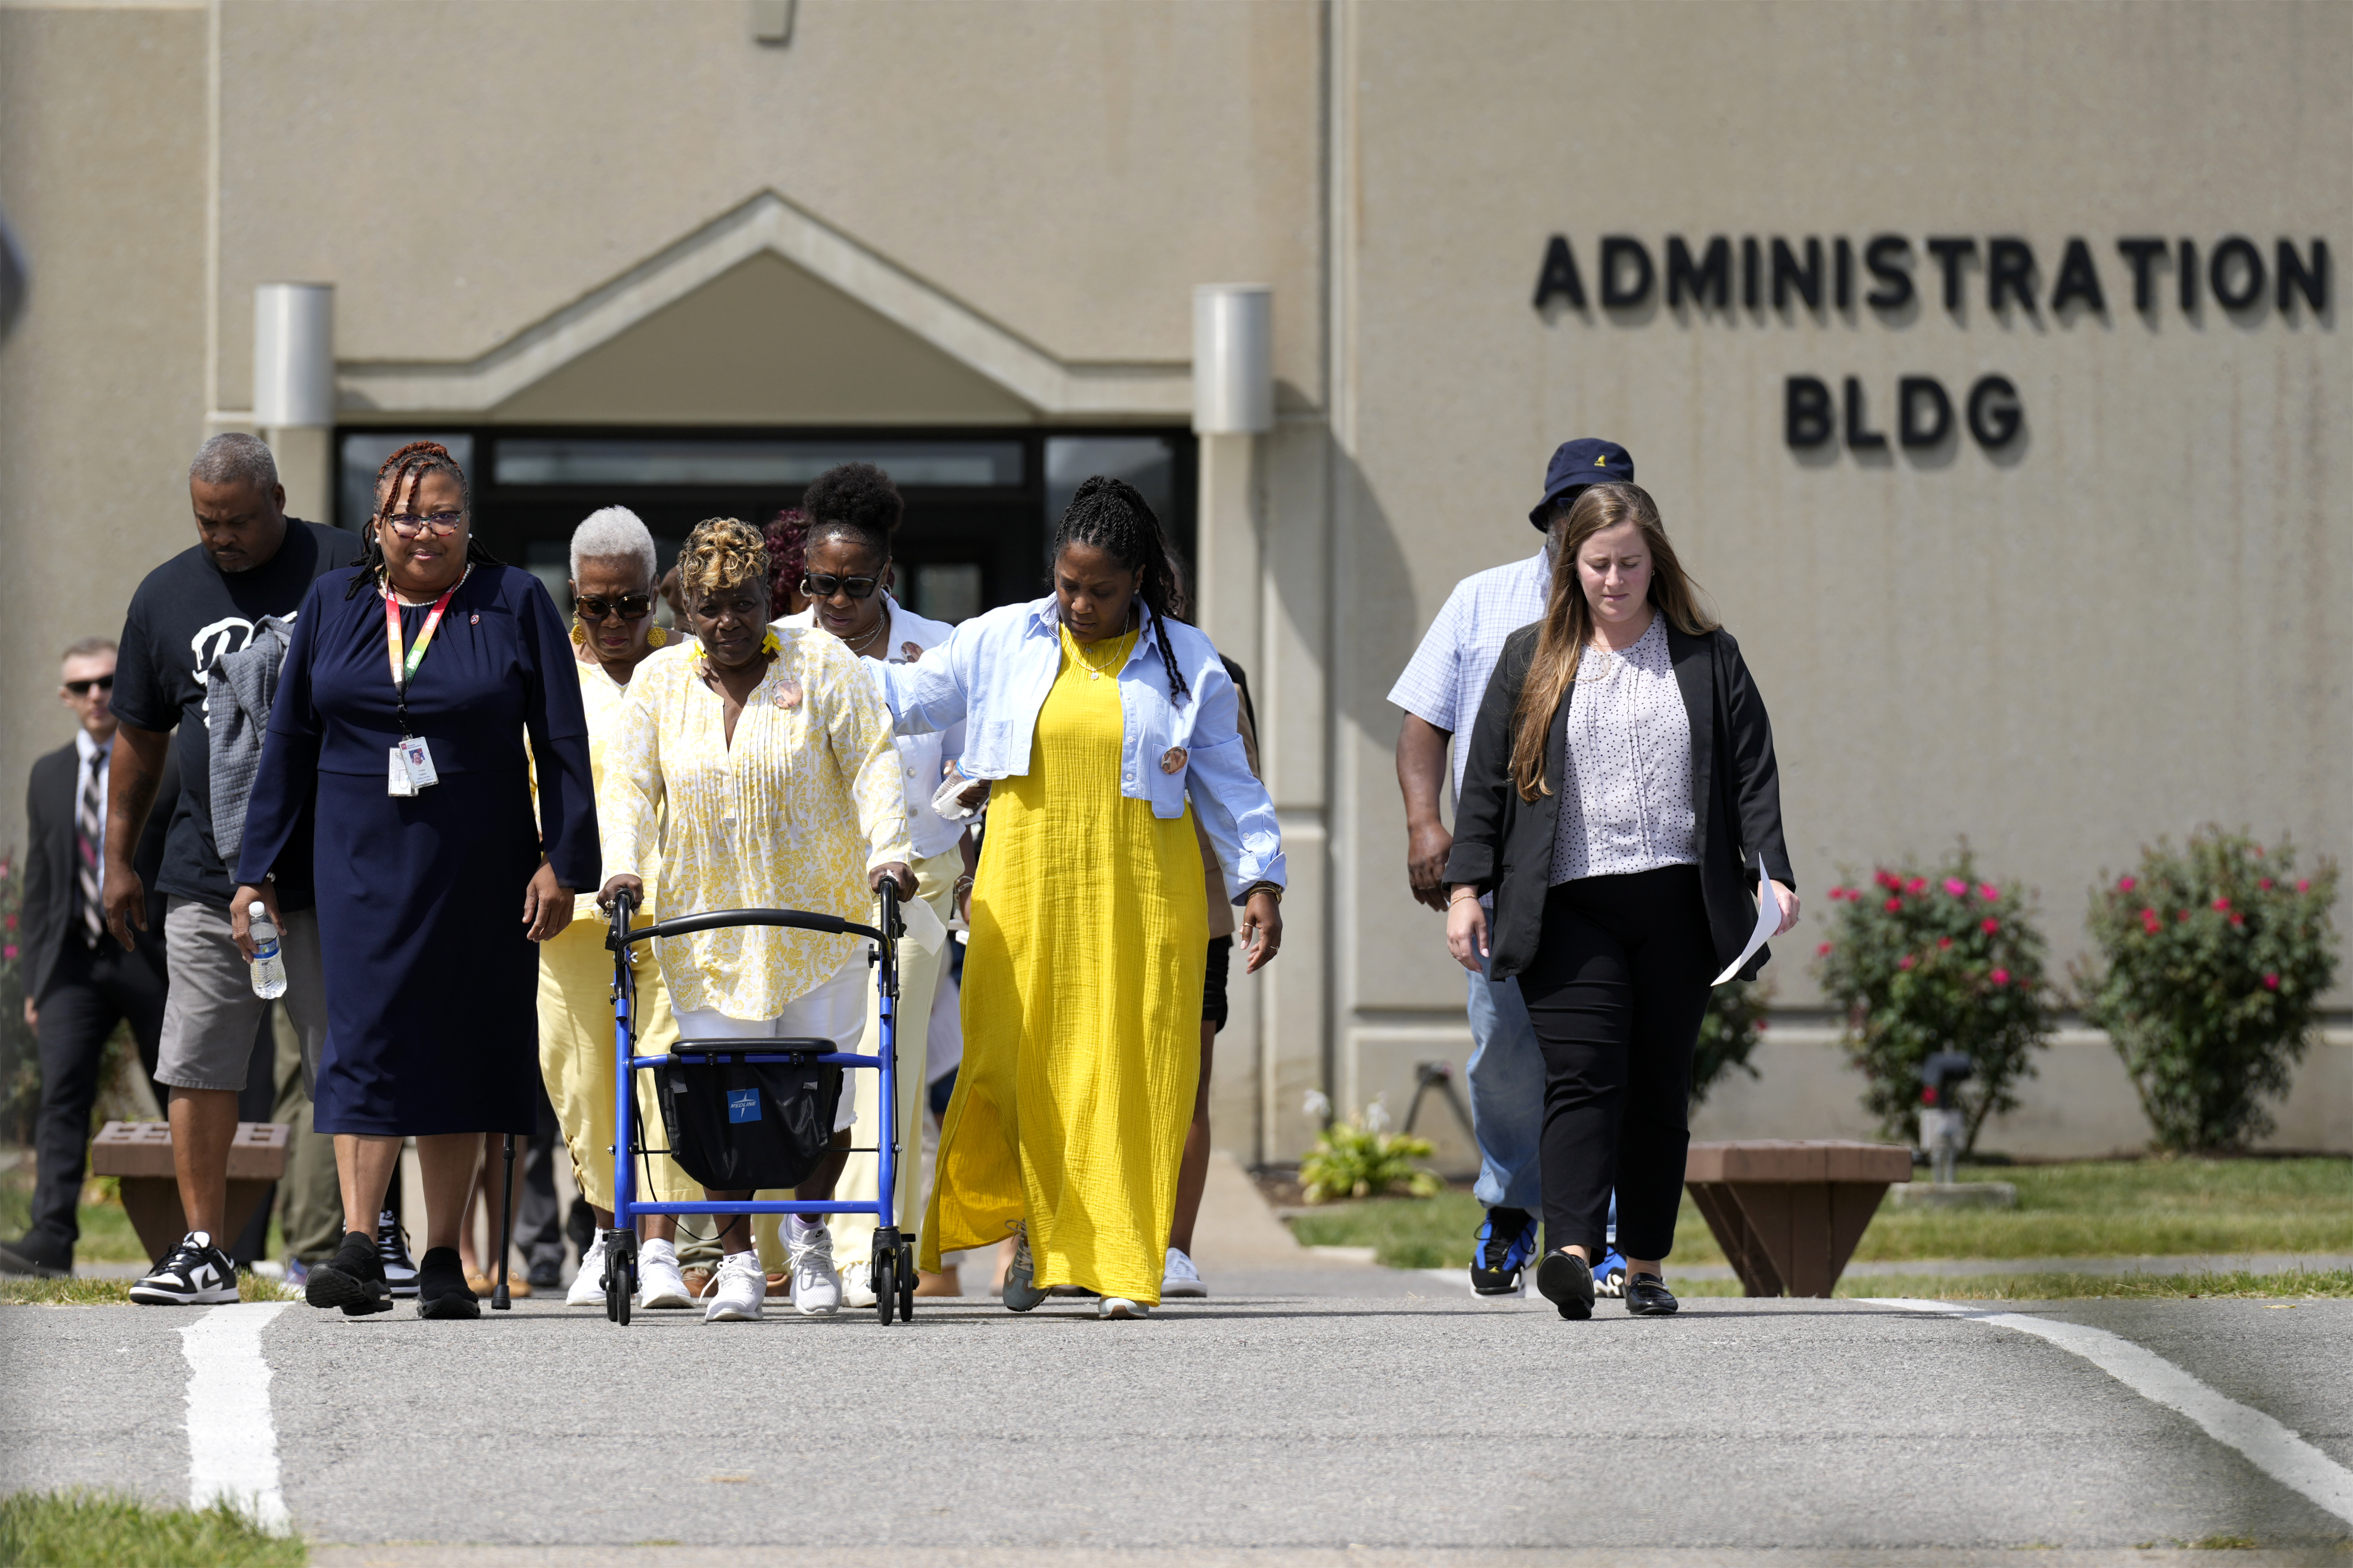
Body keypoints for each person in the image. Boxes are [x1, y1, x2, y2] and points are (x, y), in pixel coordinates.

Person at [881, 476, 1284, 1319]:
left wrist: (1260, 881)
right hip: (1025, 890)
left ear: (1137, 578)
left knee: (1128, 1072)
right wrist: (809, 671)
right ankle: (1034, 1223)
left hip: (1144, 893)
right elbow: (909, 701)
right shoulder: (1001, 639)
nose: (1080, 603)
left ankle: (1120, 1266)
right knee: (1012, 1063)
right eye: (1068, 585)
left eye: (1100, 590)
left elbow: (1231, 784)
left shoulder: (1187, 661)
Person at [232, 439, 597, 1320]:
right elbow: (288, 746)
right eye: (407, 516)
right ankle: (360, 1244)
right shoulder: (333, 603)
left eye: (444, 515)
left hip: (480, 861)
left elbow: (562, 744)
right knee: (363, 1038)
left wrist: (563, 861)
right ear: (377, 525)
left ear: (469, 522)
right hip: (357, 856)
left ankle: (443, 1258)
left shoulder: (514, 602)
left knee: (461, 1043)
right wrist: (255, 873)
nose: (425, 532)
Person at [1443, 482, 1797, 1322]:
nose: (1614, 580)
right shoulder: (1530, 656)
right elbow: (1485, 787)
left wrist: (1772, 872)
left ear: (1655, 562)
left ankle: (1642, 1265)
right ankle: (1569, 1250)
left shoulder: (1708, 657)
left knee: (1656, 1086)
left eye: (1629, 564)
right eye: (1598, 565)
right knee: (1581, 1074)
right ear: (1573, 567)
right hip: (1570, 908)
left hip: (1677, 902)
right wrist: (1465, 889)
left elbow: (1753, 773)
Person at [599, 516, 916, 1324]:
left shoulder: (825, 666)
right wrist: (623, 868)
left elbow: (875, 761)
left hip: (819, 921)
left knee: (825, 1093)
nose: (726, 624)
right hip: (705, 927)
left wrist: (889, 853)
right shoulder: (660, 684)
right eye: (708, 608)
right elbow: (630, 791)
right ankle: (737, 1258)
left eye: (741, 603)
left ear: (768, 596)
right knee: (723, 1095)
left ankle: (810, 1242)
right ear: (685, 608)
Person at [1389, 435, 1636, 1298]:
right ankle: (1510, 1207)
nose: (1591, 532)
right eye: (1574, 513)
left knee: (1601, 1053)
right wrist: (1430, 829)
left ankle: (1593, 1230)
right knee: (1505, 1053)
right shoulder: (1482, 602)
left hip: (1614, 875)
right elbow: (1424, 724)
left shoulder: (1645, 608)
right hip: (1505, 880)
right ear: (1552, 519)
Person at [100, 435, 341, 1306]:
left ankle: (362, 1235)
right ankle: (205, 1248)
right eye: (207, 521)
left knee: (339, 1060)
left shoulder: (345, 566)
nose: (222, 537)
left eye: (238, 519)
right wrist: (118, 858)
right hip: (207, 876)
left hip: (327, 876)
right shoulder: (165, 596)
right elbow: (139, 738)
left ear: (278, 497)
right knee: (200, 1061)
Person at [773, 463, 970, 1308]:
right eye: (822, 584)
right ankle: (806, 1240)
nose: (838, 601)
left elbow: (974, 766)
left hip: (915, 877)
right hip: (804, 883)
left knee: (889, 1063)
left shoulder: (942, 648)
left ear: (887, 575)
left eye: (855, 585)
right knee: (809, 1066)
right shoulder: (775, 645)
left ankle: (878, 1245)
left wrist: (968, 814)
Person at [532, 505, 703, 1312]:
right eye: (594, 605)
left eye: (631, 603)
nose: (613, 622)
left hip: (678, 910)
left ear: (657, 595)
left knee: (668, 1074)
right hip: (577, 913)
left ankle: (662, 1244)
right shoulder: (547, 672)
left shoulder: (694, 667)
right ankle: (610, 1238)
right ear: (574, 594)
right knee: (585, 1078)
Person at [0, 640, 173, 1278]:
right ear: (67, 698)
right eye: (84, 686)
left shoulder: (166, 760)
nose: (98, 695)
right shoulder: (48, 773)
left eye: (108, 681)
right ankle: (51, 1237)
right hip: (74, 963)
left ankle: (209, 1235)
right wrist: (36, 985)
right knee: (62, 1097)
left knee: (184, 1090)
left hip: (152, 959)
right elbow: (43, 882)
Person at [1162, 652, 1262, 1300]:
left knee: (1186, 1085)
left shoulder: (1213, 676)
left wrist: (1259, 884)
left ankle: (1174, 1248)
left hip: (1196, 910)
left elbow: (1240, 791)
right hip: (1098, 908)